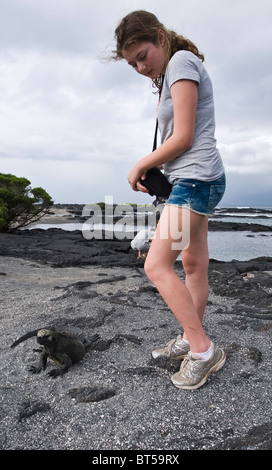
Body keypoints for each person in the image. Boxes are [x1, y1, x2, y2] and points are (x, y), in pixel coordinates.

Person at [113, 10, 226, 390]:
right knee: (193, 265)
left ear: (160, 37)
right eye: (132, 63)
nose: (140, 67)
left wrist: (139, 166)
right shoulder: (168, 73)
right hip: (196, 180)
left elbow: (184, 138)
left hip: (194, 182)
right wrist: (158, 172)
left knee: (157, 265)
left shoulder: (181, 61)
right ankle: (188, 336)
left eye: (142, 55)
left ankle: (203, 351)